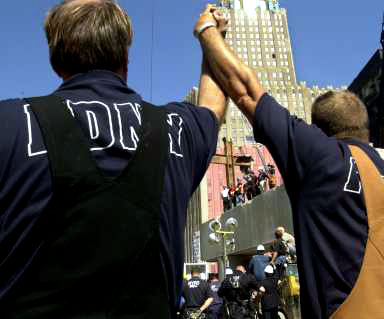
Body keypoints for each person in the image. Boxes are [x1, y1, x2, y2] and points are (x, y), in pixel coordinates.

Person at [195, 6, 384, 319]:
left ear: (320, 133)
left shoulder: (323, 159)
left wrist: (209, 31)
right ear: (365, 129)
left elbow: (246, 94)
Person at [0, 2, 230, 318]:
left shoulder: (9, 124)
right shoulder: (176, 131)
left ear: (56, 62)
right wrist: (213, 37)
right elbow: (212, 109)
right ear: (125, 57)